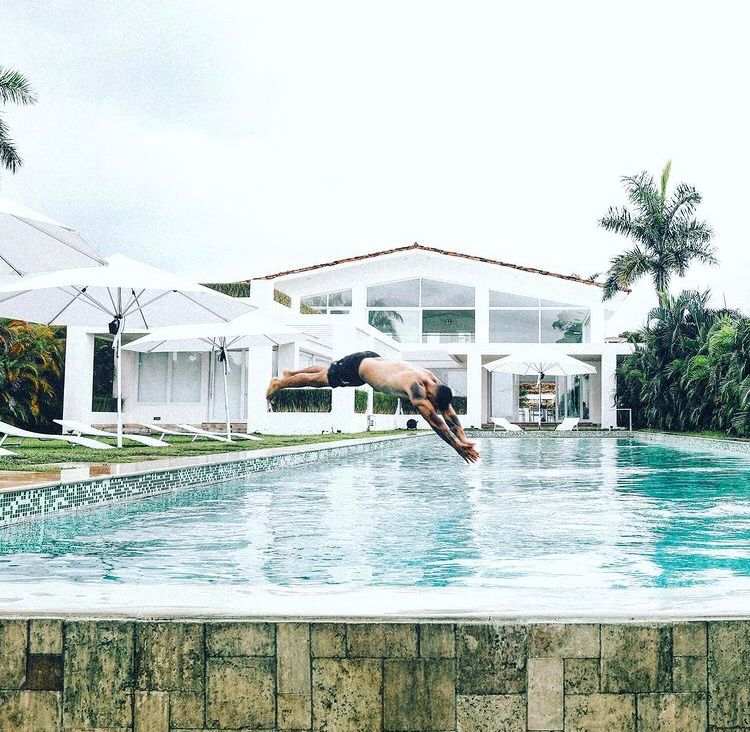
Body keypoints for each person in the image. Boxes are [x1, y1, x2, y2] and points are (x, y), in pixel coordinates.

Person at [266, 351, 480, 463]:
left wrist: (463, 439)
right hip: (358, 368)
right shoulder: (416, 388)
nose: (432, 404)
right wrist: (456, 447)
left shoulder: (434, 381)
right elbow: (435, 421)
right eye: (432, 402)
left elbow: (447, 412)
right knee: (319, 380)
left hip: (370, 360)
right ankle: (280, 383)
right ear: (431, 395)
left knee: (326, 371)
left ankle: (290, 374)